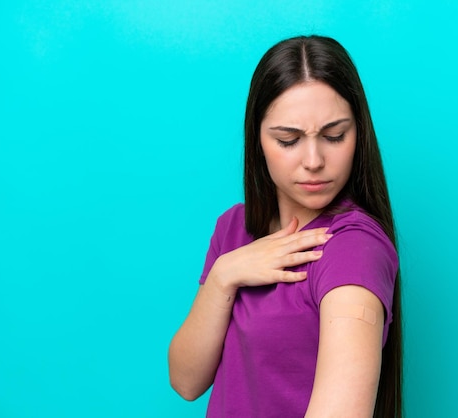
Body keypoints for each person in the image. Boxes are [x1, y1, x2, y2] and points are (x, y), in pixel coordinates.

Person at [168, 35, 403, 418]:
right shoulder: (234, 229)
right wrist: (225, 275)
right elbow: (185, 380)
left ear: (359, 135)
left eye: (334, 136)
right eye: (288, 139)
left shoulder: (354, 252)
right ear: (257, 140)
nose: (314, 160)